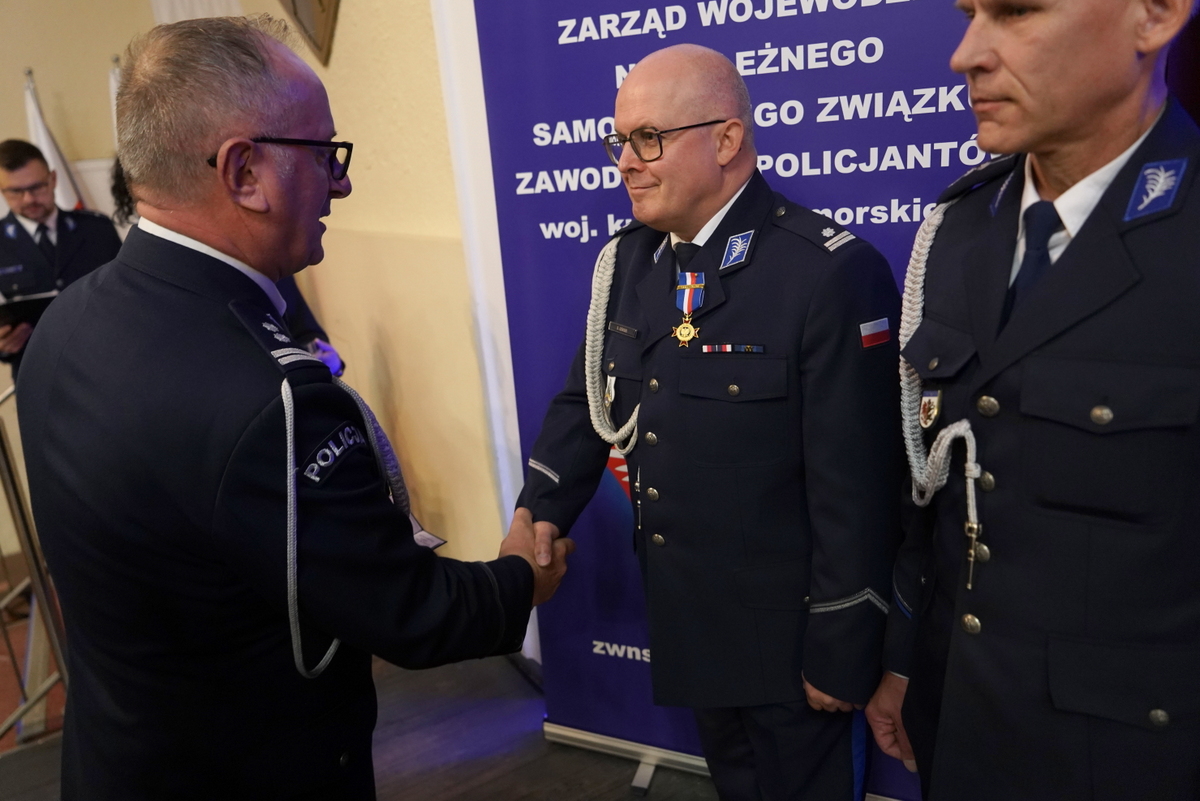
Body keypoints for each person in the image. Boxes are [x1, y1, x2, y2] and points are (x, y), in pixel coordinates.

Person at [17, 15, 572, 800]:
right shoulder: (269, 397)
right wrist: (521, 575)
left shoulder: (69, 317)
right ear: (244, 171)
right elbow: (411, 613)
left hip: (119, 759)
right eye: (323, 154)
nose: (341, 184)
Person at [518, 44, 903, 799]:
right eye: (619, 141)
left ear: (726, 140)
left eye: (648, 139)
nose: (626, 163)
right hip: (692, 620)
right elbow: (587, 401)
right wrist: (537, 512)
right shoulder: (631, 262)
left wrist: (842, 641)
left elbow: (858, 488)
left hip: (793, 642)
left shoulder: (825, 270)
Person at [864, 0, 1200, 797]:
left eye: (1015, 11)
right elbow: (935, 493)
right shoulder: (957, 230)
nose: (965, 54)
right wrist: (905, 659)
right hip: (961, 723)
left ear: (1155, 16)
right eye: (969, 13)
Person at [113, 156, 345, 374]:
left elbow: (305, 330)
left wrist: (323, 363)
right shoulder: (142, 294)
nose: (342, 185)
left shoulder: (265, 258)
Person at [0, 139, 121, 379]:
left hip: (103, 365)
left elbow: (124, 295)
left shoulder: (97, 229)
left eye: (37, 187)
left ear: (53, 179)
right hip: (37, 374)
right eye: (15, 191)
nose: (28, 199)